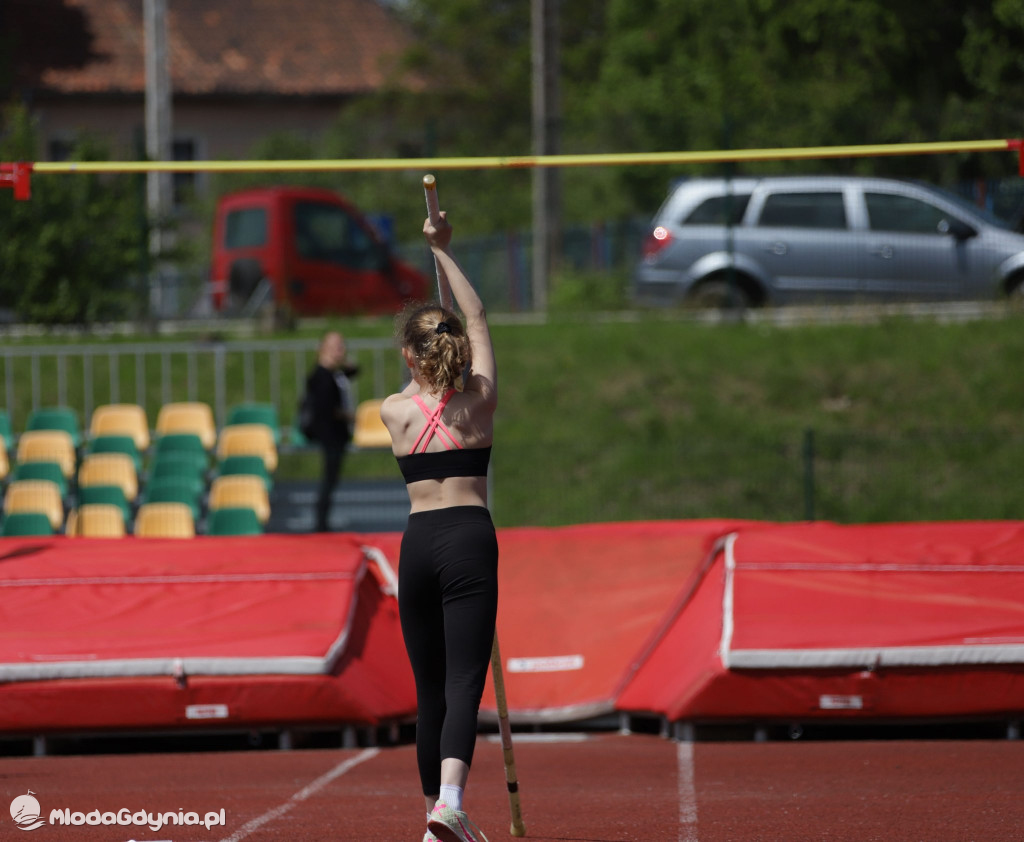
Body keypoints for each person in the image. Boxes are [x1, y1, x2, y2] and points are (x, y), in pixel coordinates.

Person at [380, 208, 497, 842]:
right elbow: (476, 320)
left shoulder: (393, 411)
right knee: (462, 680)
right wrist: (445, 249)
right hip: (469, 539)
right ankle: (449, 802)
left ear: (408, 356)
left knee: (430, 688)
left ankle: (434, 818)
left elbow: (436, 355)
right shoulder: (480, 402)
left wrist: (432, 253)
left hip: (418, 544)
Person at [307, 330, 357, 532]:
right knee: (329, 477)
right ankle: (320, 523)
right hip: (329, 433)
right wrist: (349, 416)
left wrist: (344, 363)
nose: (341, 350)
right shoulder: (321, 376)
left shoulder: (335, 374)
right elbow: (326, 407)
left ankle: (322, 521)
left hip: (337, 433)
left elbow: (353, 371)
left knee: (332, 478)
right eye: (337, 347)